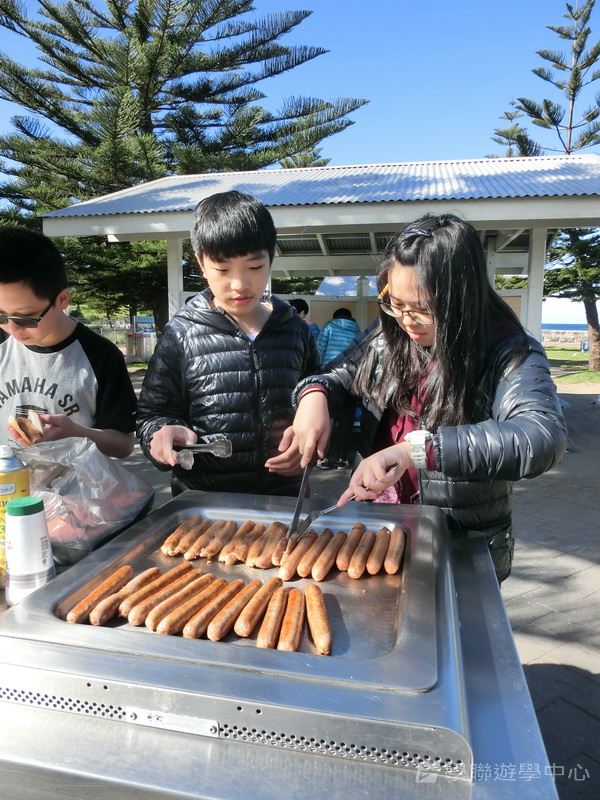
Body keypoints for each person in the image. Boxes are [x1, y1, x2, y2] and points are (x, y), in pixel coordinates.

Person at [291, 213, 567, 582]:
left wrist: (415, 452)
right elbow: (338, 375)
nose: (407, 320)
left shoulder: (509, 350)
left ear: (462, 299)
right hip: (382, 527)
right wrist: (314, 395)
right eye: (395, 302)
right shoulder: (389, 333)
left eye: (423, 308)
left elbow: (540, 438)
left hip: (458, 540)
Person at [136, 190, 319, 496]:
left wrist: (310, 445)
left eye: (255, 267)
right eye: (222, 269)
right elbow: (151, 415)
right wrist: (160, 433)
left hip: (286, 499)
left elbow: (320, 397)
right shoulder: (181, 333)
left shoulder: (295, 330)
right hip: (203, 507)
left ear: (270, 259)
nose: (239, 284)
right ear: (201, 263)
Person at [0, 227, 136, 458]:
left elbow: (123, 444)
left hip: (78, 490)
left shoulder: (100, 355)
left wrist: (78, 433)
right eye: (1, 316)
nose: (12, 328)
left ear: (62, 299)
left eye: (26, 317)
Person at [315, 307, 361, 470]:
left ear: (335, 317)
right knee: (346, 421)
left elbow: (318, 351)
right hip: (351, 379)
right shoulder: (358, 331)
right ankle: (342, 458)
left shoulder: (329, 327)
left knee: (328, 418)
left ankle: (324, 457)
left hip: (330, 378)